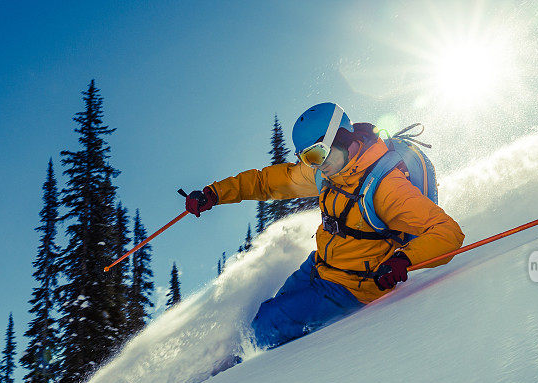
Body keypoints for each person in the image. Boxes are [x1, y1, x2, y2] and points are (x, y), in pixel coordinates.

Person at [185, 102, 464, 353]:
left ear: (342, 137)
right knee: (268, 314)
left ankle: (238, 381)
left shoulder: (386, 188)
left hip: (354, 286)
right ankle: (239, 363)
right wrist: (214, 194)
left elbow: (447, 232)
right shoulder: (327, 171)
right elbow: (266, 181)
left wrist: (403, 260)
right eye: (307, 158)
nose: (315, 165)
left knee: (265, 327)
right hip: (318, 266)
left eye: (317, 154)